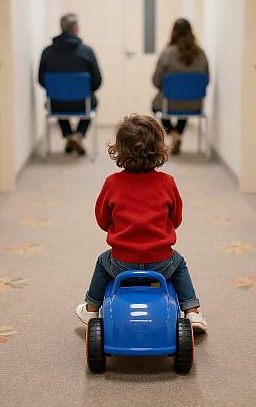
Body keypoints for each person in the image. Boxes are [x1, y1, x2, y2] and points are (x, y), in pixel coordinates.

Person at [75, 114, 208, 332]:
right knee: (180, 264)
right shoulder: (167, 182)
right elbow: (176, 220)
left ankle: (91, 308)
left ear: (119, 150)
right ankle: (192, 313)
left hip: (121, 264)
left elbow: (102, 221)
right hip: (162, 263)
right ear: (159, 149)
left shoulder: (112, 183)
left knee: (102, 261)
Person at [38, 13, 102, 155]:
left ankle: (69, 135)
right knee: (94, 101)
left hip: (55, 104)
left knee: (58, 97)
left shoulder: (47, 52)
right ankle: (78, 135)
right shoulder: (87, 51)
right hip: (82, 103)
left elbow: (41, 80)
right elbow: (97, 81)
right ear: (76, 29)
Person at [152, 18, 209, 154]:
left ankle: (174, 134)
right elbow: (206, 80)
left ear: (174, 33)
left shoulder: (167, 53)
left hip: (169, 103)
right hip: (195, 104)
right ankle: (178, 134)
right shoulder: (201, 54)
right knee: (185, 102)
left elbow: (156, 81)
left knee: (155, 106)